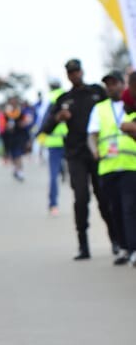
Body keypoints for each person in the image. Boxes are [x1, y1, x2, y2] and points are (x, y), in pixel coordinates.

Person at [42, 58, 115, 260]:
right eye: (71, 72)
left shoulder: (96, 92)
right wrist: (58, 117)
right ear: (67, 76)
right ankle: (83, 245)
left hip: (97, 153)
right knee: (81, 198)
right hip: (76, 155)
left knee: (104, 198)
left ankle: (116, 242)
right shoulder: (64, 99)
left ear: (82, 72)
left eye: (77, 71)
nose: (74, 75)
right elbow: (46, 128)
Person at [87, 70, 136, 266]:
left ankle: (133, 248)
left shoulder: (131, 105)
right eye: (108, 84)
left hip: (130, 164)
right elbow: (92, 134)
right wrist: (94, 151)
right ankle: (123, 247)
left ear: (123, 85)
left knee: (129, 207)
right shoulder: (99, 108)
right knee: (114, 209)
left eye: (114, 83)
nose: (111, 87)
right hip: (107, 166)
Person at [40, 80, 67, 214]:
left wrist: (40, 136)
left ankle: (53, 204)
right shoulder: (66, 97)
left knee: (53, 175)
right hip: (67, 140)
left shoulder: (48, 100)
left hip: (53, 142)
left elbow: (42, 120)